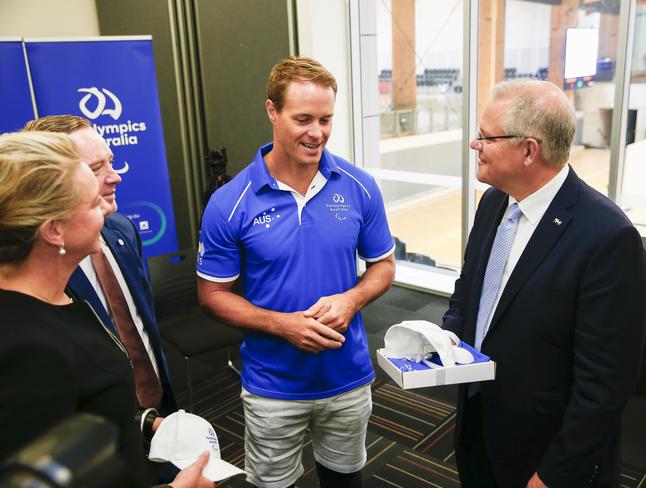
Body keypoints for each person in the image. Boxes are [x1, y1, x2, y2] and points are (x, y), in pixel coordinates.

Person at [197, 56, 396, 488]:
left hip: (347, 378)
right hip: (272, 387)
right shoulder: (231, 202)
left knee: (346, 480)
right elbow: (212, 295)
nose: (317, 132)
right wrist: (282, 325)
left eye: (325, 119)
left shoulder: (359, 186)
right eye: (303, 118)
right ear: (272, 111)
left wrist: (352, 299)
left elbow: (383, 265)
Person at [442, 79, 646, 488]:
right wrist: (445, 340)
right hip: (478, 425)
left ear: (528, 150)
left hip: (543, 454)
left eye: (485, 136)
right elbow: (469, 291)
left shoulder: (608, 238)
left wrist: (553, 475)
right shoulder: (493, 203)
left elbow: (605, 385)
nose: (474, 144)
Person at [0, 131, 213, 488]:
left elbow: (74, 419)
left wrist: (144, 422)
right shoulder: (24, 349)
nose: (107, 207)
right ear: (55, 230)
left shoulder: (61, 303)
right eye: (92, 203)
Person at [22, 115, 177, 419]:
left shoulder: (123, 231)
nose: (115, 176)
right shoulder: (37, 273)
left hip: (161, 405)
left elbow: (142, 327)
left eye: (111, 161)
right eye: (95, 169)